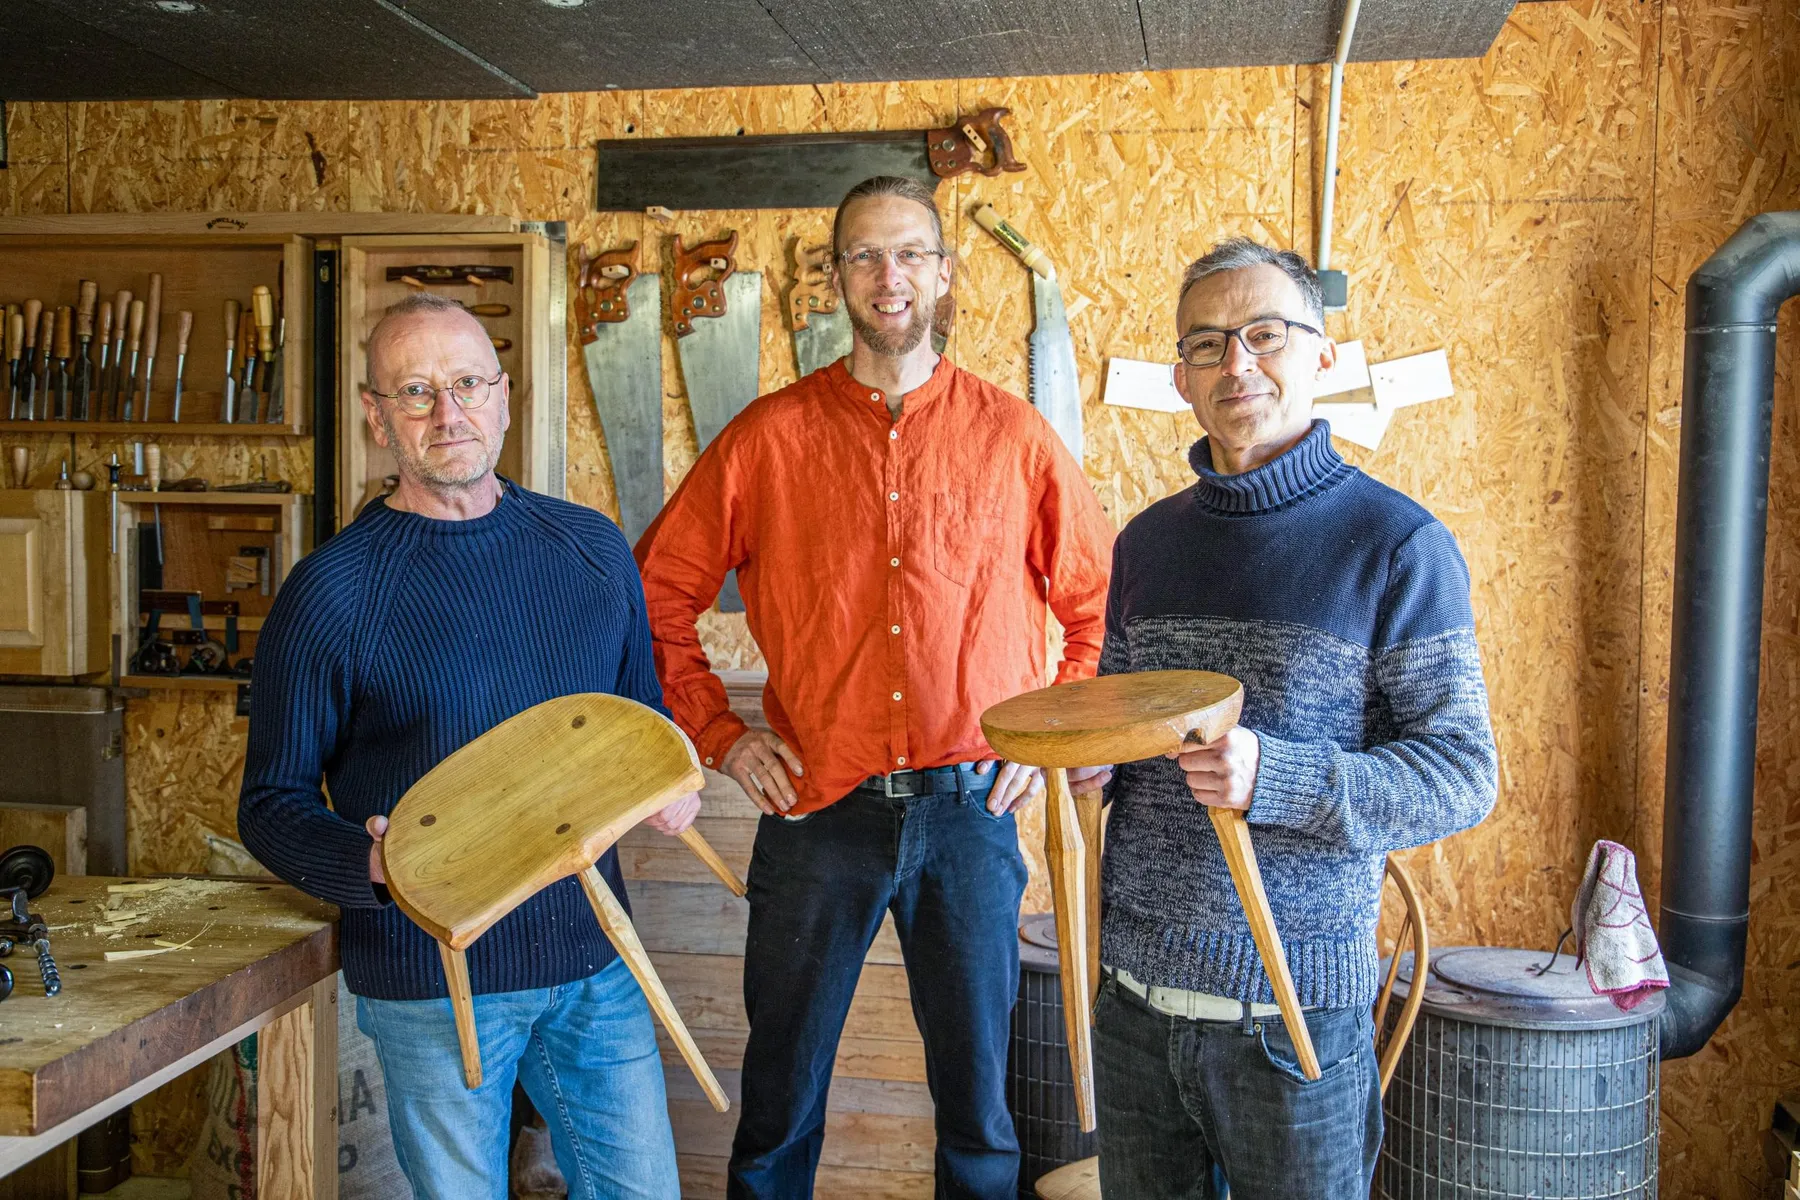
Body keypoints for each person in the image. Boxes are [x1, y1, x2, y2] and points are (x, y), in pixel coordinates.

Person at [635, 175, 1116, 1198]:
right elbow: (654, 593)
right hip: (817, 813)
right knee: (779, 1103)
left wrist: (1050, 741)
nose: (887, 275)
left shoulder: (1014, 437)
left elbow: (1097, 606)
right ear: (837, 276)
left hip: (971, 816)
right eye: (863, 254)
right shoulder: (766, 438)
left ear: (943, 273)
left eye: (908, 253)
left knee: (979, 1115)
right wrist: (721, 735)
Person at [238, 292, 696, 1199]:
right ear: (376, 416)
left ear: (504, 395)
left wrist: (665, 782)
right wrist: (376, 866)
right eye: (415, 391)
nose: (448, 412)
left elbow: (638, 722)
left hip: (592, 958)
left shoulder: (591, 550)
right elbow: (269, 806)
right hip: (431, 978)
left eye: (468, 383)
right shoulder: (330, 592)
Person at [1086, 238, 1498, 1199]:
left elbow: (1462, 773)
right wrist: (1096, 765)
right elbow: (1128, 730)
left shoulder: (1397, 545)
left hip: (1292, 1020)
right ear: (1183, 379)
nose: (1237, 363)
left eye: (1265, 335)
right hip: (1134, 1010)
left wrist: (1279, 777)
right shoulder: (1146, 545)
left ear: (1322, 354)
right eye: (1207, 344)